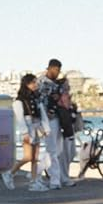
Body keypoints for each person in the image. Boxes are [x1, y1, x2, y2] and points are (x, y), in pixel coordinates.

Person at [2, 73, 47, 191]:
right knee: (27, 156)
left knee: (35, 158)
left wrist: (44, 128)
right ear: (27, 84)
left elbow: (40, 114)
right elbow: (20, 118)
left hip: (36, 126)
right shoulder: (19, 100)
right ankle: (10, 173)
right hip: (28, 128)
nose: (35, 85)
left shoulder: (36, 98)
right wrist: (24, 132)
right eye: (33, 82)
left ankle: (34, 182)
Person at [37, 60, 73, 189]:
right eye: (56, 70)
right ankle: (54, 179)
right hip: (47, 119)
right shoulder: (41, 82)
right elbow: (38, 100)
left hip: (58, 118)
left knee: (58, 149)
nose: (57, 73)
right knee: (52, 150)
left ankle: (36, 173)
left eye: (59, 70)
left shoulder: (57, 83)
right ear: (50, 68)